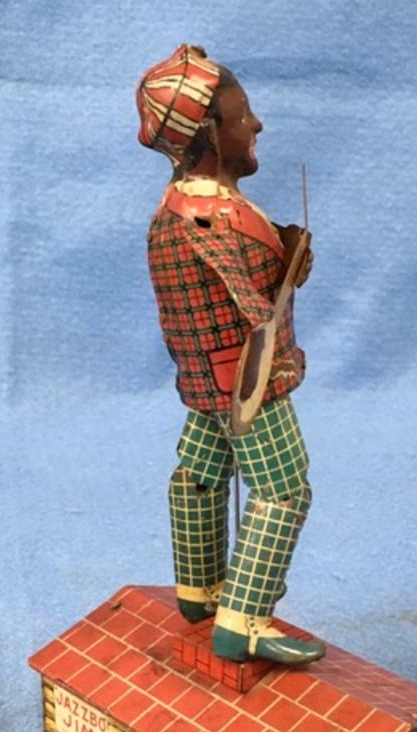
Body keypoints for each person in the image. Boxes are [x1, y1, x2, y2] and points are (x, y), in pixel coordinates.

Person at [136, 44, 325, 665]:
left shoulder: (173, 211)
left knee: (199, 474)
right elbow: (253, 311)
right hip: (249, 382)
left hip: (202, 380)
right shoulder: (214, 220)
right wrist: (281, 284)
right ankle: (243, 620)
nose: (256, 125)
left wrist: (286, 260)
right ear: (211, 133)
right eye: (242, 115)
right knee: (283, 490)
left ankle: (198, 590)